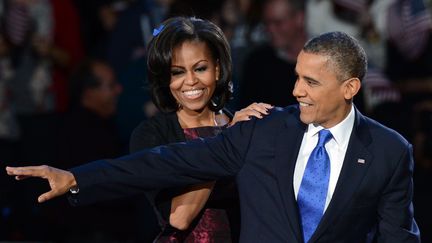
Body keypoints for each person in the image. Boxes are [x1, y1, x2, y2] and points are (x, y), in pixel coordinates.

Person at [6, 31, 420, 242]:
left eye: (311, 82)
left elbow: (397, 236)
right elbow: (167, 161)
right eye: (296, 77)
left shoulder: (388, 151)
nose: (296, 91)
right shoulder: (266, 130)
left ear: (349, 88)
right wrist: (78, 178)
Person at [127, 17, 271, 242]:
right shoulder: (151, 136)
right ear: (165, 78)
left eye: (200, 68)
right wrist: (227, 143)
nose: (191, 81)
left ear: (217, 68)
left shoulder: (242, 128)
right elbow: (179, 218)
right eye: (177, 72)